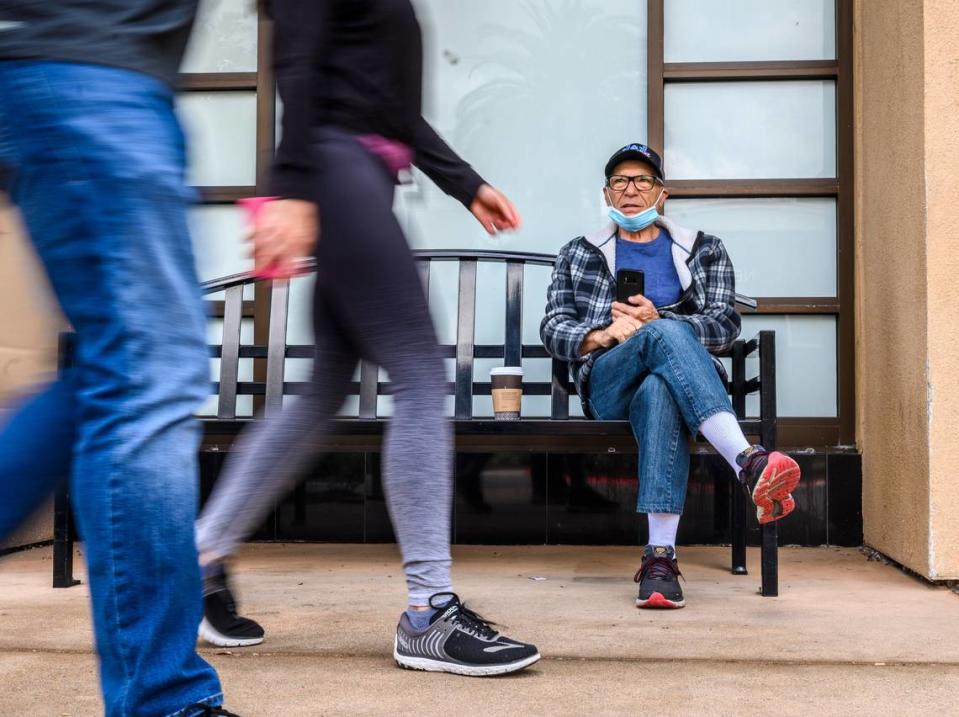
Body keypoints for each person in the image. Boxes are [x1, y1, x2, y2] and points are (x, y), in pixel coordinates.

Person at [194, 0, 540, 677]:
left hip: (358, 175)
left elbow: (386, 103)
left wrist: (464, 183)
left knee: (324, 386)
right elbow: (297, 64)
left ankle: (197, 558)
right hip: (335, 170)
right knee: (418, 372)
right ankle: (428, 611)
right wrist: (291, 190)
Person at [0, 2, 237, 715]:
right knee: (144, 373)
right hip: (89, 75)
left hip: (81, 74)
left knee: (119, 370)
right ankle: (163, 701)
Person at [540, 143, 802, 610]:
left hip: (676, 389)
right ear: (606, 193)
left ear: (661, 194)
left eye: (642, 181)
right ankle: (747, 460)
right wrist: (606, 333)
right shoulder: (579, 253)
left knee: (661, 386)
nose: (631, 190)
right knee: (657, 338)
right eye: (620, 181)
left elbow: (725, 325)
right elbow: (553, 328)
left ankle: (660, 560)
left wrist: (660, 320)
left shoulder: (703, 249)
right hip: (608, 382)